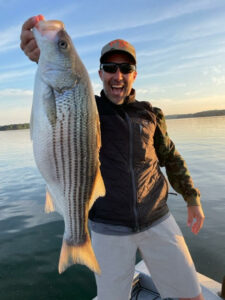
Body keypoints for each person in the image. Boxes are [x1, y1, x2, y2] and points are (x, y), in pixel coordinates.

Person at [20, 15, 205, 300]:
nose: (117, 75)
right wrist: (41, 54)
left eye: (125, 68)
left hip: (157, 217)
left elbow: (170, 157)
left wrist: (192, 198)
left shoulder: (151, 114)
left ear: (134, 74)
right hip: (108, 226)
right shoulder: (89, 107)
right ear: (100, 73)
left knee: (192, 294)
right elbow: (64, 97)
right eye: (110, 68)